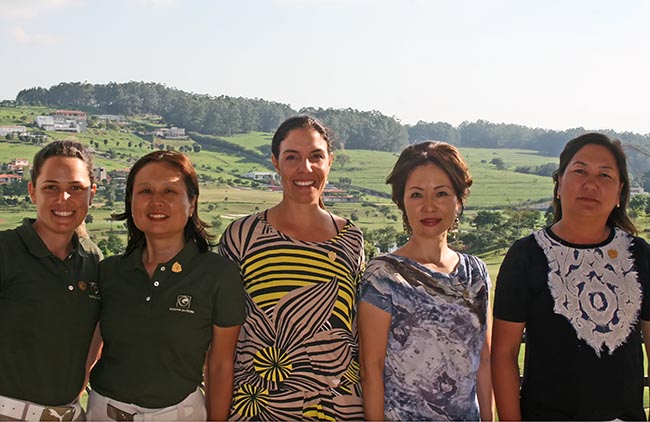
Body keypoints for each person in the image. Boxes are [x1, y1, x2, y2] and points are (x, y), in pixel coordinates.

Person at [491, 132, 650, 420]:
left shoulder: (640, 255)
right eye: (579, 171)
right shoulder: (526, 255)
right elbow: (504, 355)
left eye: (605, 175)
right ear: (559, 183)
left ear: (619, 193)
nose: (591, 184)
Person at [218, 115, 365, 420]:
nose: (305, 169)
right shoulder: (242, 236)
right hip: (260, 409)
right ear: (275, 162)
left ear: (330, 161)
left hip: (337, 411)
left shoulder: (351, 239)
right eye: (292, 157)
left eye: (316, 157)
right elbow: (221, 351)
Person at [87, 150, 245, 421]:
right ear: (131, 201)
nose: (156, 201)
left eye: (170, 192)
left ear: (192, 202)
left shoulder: (219, 274)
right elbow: (89, 351)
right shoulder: (108, 271)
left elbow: (219, 366)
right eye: (145, 191)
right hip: (103, 412)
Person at [358, 141, 493, 421]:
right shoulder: (384, 276)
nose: (429, 206)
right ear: (402, 201)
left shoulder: (476, 273)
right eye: (417, 194)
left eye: (441, 193)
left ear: (458, 200)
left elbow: (484, 362)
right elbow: (371, 368)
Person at [0, 140, 100, 421]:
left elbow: (96, 331)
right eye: (51, 187)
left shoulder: (92, 259)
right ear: (33, 192)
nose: (63, 199)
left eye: (76, 188)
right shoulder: (5, 251)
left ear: (91, 193)